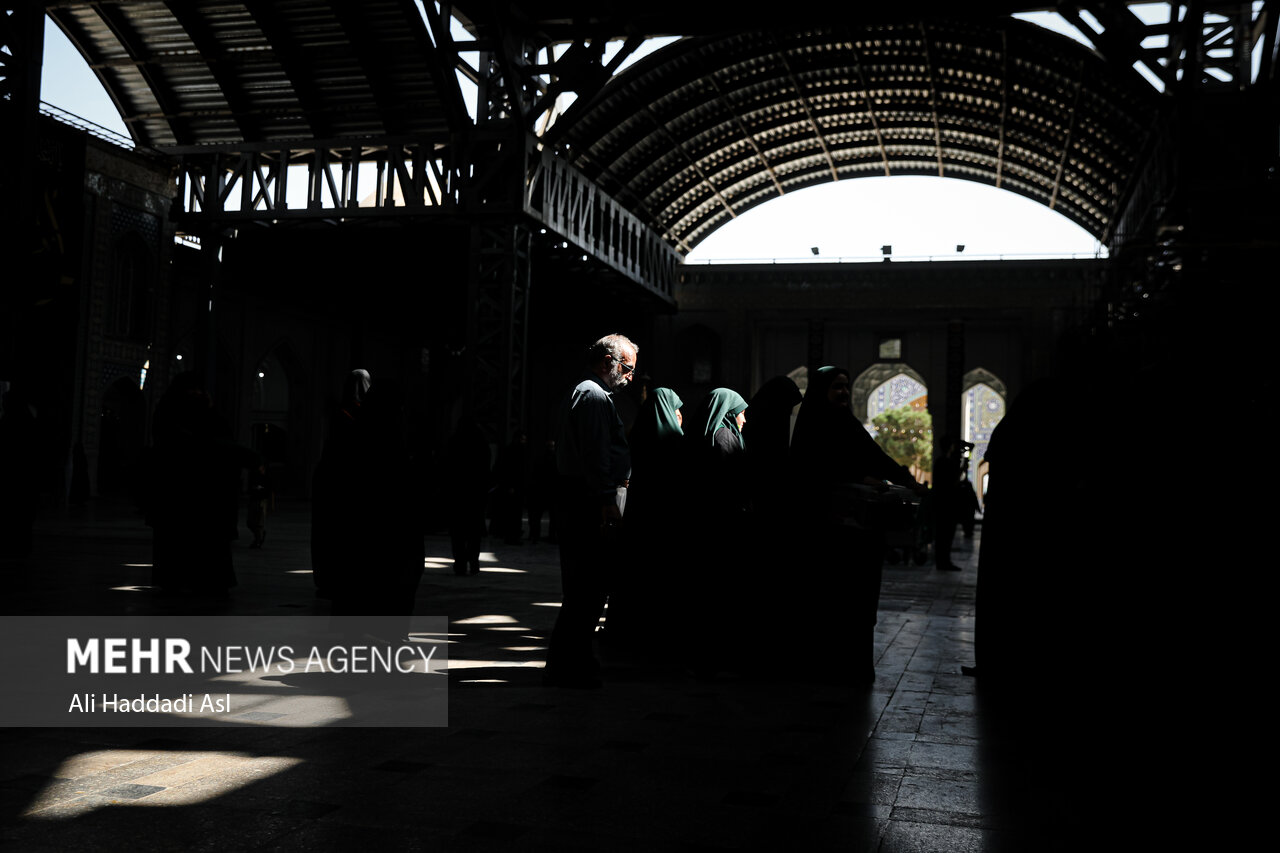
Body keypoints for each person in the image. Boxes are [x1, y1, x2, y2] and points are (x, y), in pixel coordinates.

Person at [790, 365, 925, 683]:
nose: (844, 393)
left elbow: (876, 457)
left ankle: (856, 666)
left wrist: (907, 480)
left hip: (861, 532)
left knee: (861, 601)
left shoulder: (847, 424)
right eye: (837, 387)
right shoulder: (814, 426)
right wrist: (858, 478)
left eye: (846, 387)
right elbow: (814, 471)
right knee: (834, 600)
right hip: (829, 532)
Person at [545, 334, 637, 688]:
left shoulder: (588, 393)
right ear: (607, 362)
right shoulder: (594, 396)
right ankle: (566, 666)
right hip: (587, 503)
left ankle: (574, 661)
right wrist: (606, 501)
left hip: (581, 499)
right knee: (588, 588)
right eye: (626, 368)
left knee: (585, 588)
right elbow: (596, 454)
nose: (629, 376)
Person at [604, 386, 684, 651]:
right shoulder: (674, 442)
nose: (680, 415)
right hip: (664, 522)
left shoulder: (635, 436)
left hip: (638, 520)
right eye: (677, 409)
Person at [684, 387, 750, 676]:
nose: (744, 420)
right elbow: (732, 483)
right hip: (723, 525)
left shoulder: (698, 437)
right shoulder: (724, 437)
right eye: (742, 413)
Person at [444, 416, 492, 575]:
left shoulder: (454, 442)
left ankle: (460, 563)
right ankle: (473, 562)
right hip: (476, 495)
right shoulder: (481, 443)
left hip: (458, 494)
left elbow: (447, 468)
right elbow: (486, 470)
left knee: (458, 532)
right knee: (474, 532)